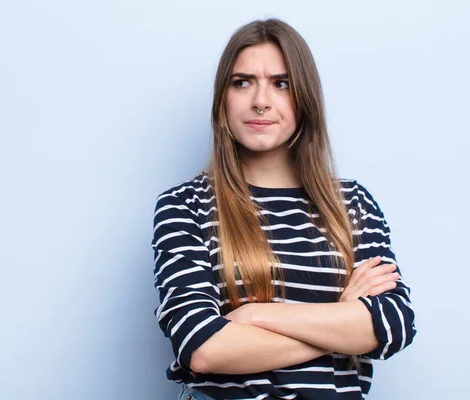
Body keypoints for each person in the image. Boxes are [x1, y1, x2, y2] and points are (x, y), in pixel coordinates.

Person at [151, 18, 416, 400]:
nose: (261, 100)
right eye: (242, 82)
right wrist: (342, 319)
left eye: (281, 83)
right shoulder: (184, 207)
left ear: (304, 97)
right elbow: (203, 348)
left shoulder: (353, 204)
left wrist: (252, 317)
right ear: (222, 98)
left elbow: (393, 325)